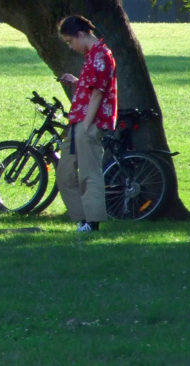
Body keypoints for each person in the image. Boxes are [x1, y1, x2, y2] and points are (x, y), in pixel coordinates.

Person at [56, 15, 117, 232]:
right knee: (65, 173)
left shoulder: (101, 55)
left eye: (70, 41)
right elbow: (92, 85)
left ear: (81, 34)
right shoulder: (91, 55)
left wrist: (85, 126)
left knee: (89, 173)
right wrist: (77, 81)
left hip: (88, 123)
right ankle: (82, 220)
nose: (70, 46)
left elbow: (98, 94)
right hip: (77, 121)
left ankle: (92, 223)